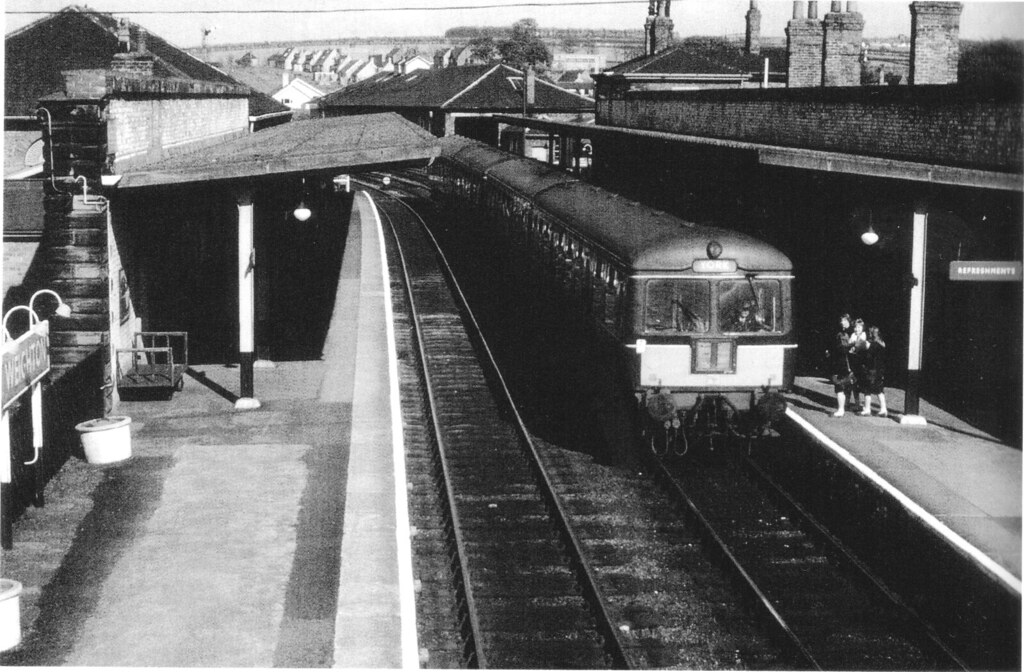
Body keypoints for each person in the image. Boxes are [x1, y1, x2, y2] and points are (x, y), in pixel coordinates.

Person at [858, 326, 889, 417]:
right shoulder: (882, 344)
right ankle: (883, 409)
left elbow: (867, 357)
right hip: (879, 370)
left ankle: (867, 409)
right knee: (879, 390)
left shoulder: (871, 345)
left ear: (871, 334)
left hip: (871, 369)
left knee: (867, 390)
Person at [829, 313, 855, 417]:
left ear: (849, 321)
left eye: (844, 320)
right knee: (846, 385)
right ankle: (845, 406)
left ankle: (841, 409)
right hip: (845, 362)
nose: (841, 322)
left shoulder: (845, 334)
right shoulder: (848, 333)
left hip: (844, 362)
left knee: (839, 385)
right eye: (841, 320)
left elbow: (842, 348)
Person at [847, 318, 868, 411]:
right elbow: (850, 343)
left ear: (862, 328)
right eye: (855, 327)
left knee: (860, 384)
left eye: (859, 327)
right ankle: (852, 402)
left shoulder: (863, 335)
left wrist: (854, 345)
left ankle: (861, 404)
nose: (857, 329)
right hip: (853, 361)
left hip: (861, 362)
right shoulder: (853, 335)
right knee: (851, 382)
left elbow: (859, 344)